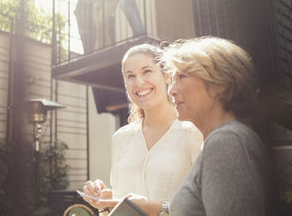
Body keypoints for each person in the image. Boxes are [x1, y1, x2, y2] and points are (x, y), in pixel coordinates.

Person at [116, 37, 274, 215]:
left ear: (218, 85)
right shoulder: (221, 140)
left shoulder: (227, 141)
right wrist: (158, 208)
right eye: (173, 79)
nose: (171, 90)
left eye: (182, 77)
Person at [81, 43, 203, 215]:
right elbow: (119, 206)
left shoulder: (193, 132)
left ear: (167, 76)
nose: (139, 82)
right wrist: (107, 202)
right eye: (130, 76)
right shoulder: (121, 138)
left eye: (147, 71)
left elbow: (204, 205)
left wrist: (160, 209)